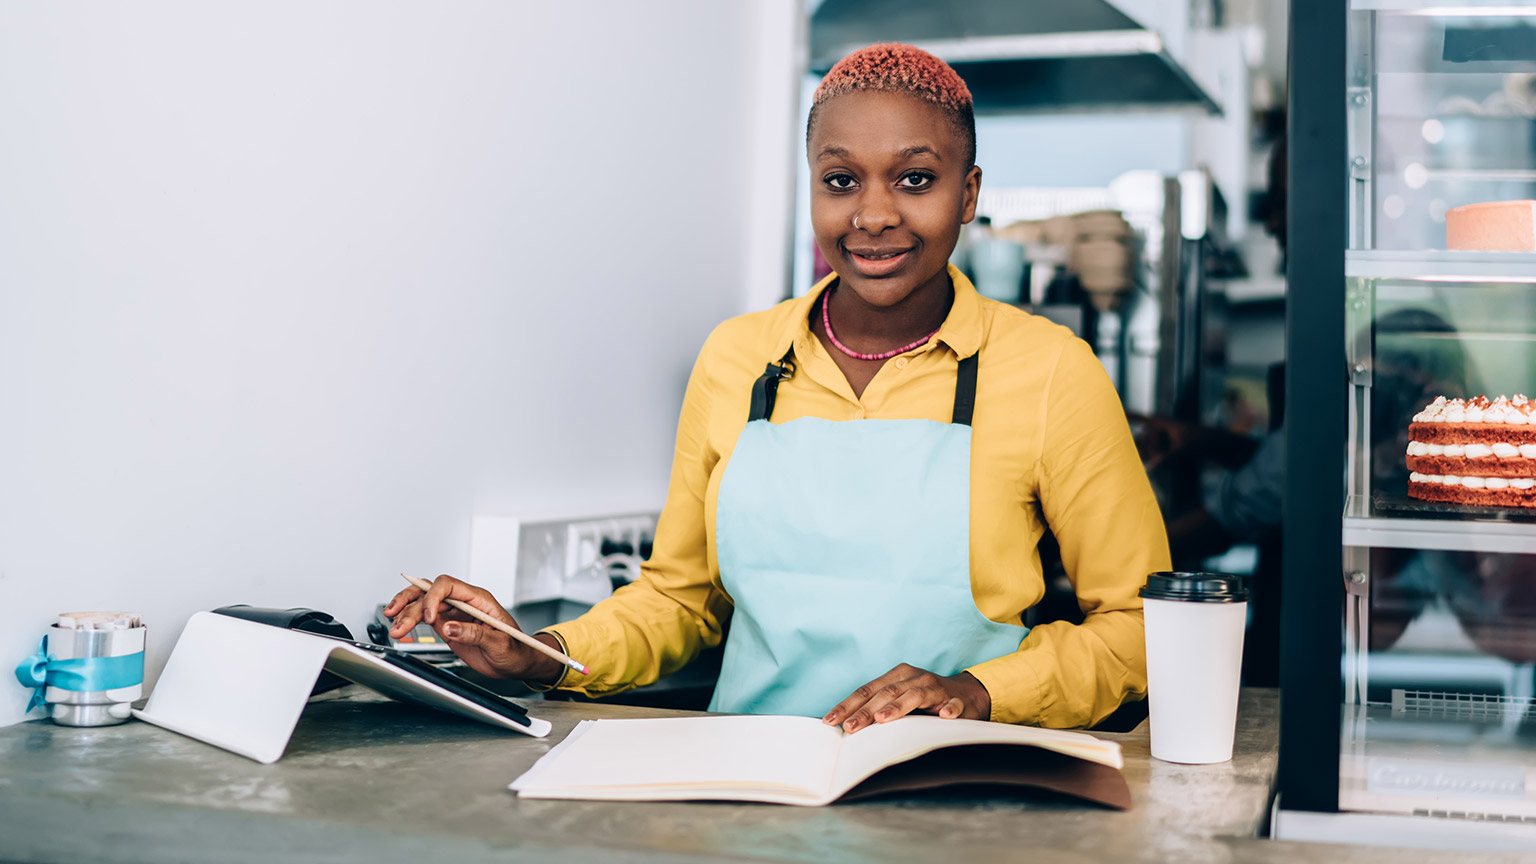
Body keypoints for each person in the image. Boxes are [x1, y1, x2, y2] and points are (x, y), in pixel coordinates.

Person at [384, 44, 1170, 731]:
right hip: (753, 787)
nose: (872, 215)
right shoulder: (738, 357)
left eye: (915, 179)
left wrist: (974, 690)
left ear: (968, 195)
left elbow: (1140, 626)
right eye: (840, 180)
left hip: (951, 783)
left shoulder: (1050, 371)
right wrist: (537, 653)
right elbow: (680, 601)